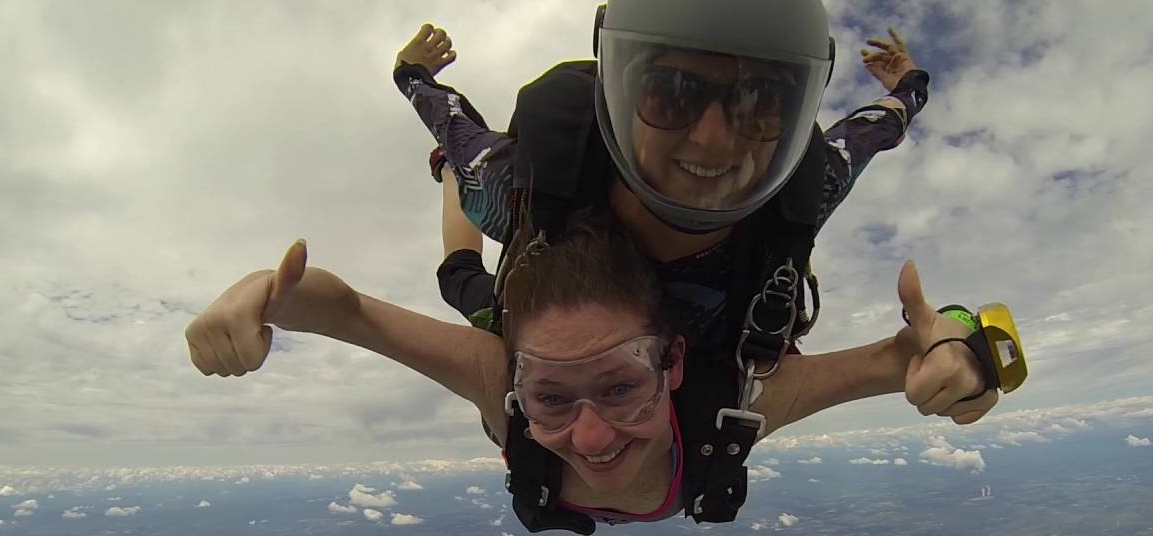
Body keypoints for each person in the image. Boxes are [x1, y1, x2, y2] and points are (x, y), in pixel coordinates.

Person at [185, 172, 998, 535]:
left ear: (674, 363)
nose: (593, 436)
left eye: (621, 386)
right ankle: (449, 175)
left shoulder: (738, 399)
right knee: (463, 277)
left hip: (522, 323)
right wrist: (265, 291)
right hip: (514, 320)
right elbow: (350, 312)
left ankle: (456, 184)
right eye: (551, 399)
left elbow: (914, 353)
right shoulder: (496, 371)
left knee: (466, 280)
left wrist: (963, 352)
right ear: (520, 383)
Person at [393, 6, 932, 367]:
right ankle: (445, 174)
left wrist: (910, 88)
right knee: (460, 271)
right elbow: (455, 127)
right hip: (551, 278)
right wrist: (413, 77)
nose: (715, 139)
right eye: (671, 93)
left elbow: (870, 131)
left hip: (696, 348)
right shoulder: (530, 191)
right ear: (621, 98)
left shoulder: (796, 195)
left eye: (763, 101)